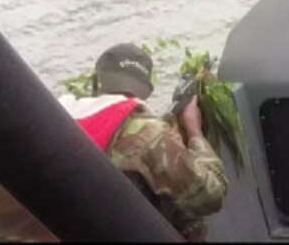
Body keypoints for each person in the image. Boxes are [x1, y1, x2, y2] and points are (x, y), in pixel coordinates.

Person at [58, 44, 227, 242]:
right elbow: (210, 197)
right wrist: (193, 129)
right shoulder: (151, 134)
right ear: (147, 90)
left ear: (95, 82)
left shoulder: (59, 120)